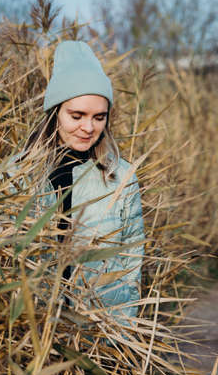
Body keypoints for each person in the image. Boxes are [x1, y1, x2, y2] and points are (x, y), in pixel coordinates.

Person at [10, 41, 145, 324]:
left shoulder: (121, 176)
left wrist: (124, 322)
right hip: (35, 328)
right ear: (55, 112)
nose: (88, 128)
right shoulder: (18, 174)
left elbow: (132, 258)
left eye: (99, 117)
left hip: (104, 326)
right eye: (77, 116)